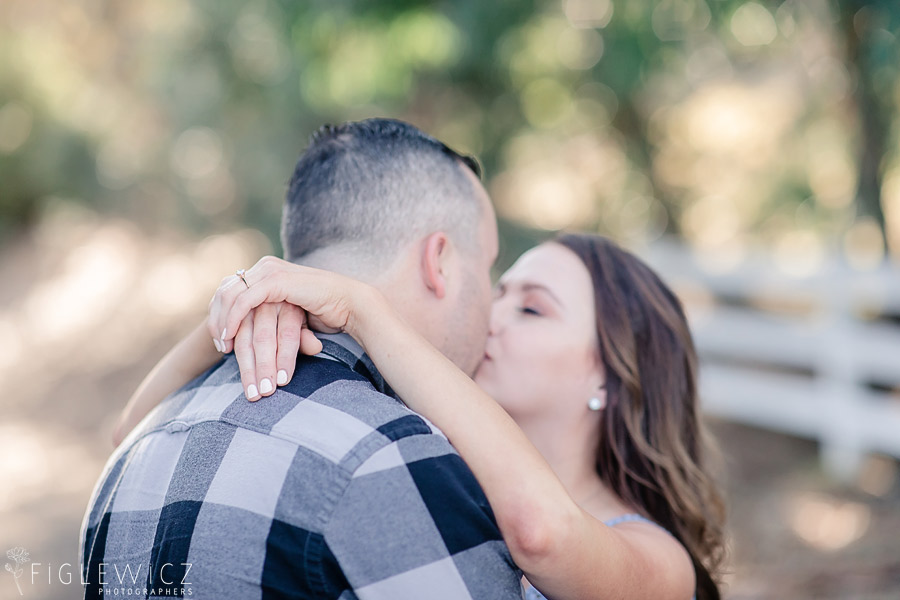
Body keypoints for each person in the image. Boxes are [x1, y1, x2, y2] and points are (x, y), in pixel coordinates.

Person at [117, 233, 728, 598]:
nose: (493, 315)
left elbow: (543, 535)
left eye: (533, 310)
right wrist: (235, 309)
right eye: (501, 291)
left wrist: (365, 311)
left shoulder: (661, 562)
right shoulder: (432, 457)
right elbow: (131, 437)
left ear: (613, 372)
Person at [80, 118, 525, 599]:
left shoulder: (135, 451)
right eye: (487, 265)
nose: (494, 303)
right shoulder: (392, 454)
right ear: (438, 262)